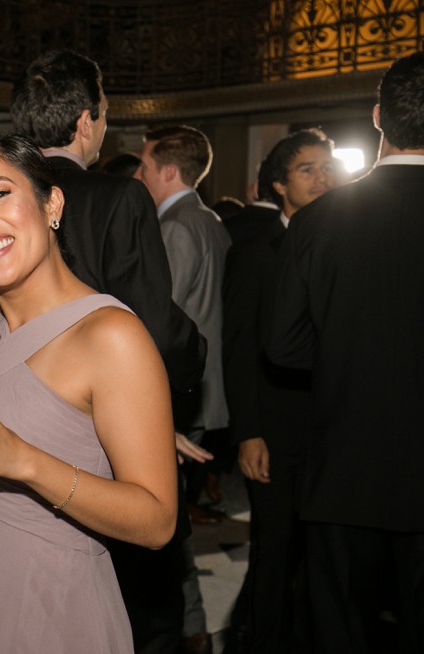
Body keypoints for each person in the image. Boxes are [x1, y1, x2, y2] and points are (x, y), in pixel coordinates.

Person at [0, 131, 176, 653]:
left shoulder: (110, 336)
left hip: (54, 602)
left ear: (51, 202)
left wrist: (22, 459)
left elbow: (156, 521)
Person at [10, 49, 205, 654]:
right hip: (104, 424)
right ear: (88, 120)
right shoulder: (119, 197)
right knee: (142, 597)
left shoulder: (0, 194)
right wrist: (191, 363)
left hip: (19, 413)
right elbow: (151, 323)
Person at [265, 52, 424, 654]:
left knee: (338, 631)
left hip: (344, 466)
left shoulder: (320, 219)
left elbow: (281, 345)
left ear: (380, 116)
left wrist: (348, 359)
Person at [223, 128, 336, 653]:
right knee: (275, 548)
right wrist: (249, 432)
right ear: (279, 185)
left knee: (324, 553)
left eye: (326, 167)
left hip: (335, 425)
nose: (322, 178)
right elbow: (240, 349)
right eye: (307, 170)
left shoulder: (346, 238)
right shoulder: (255, 251)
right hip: (276, 427)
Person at [135, 124, 231, 654]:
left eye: (146, 167)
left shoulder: (173, 228)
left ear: (169, 171)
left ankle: (185, 626)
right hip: (206, 388)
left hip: (177, 391)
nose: (140, 176)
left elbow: (162, 319)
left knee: (165, 525)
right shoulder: (211, 220)